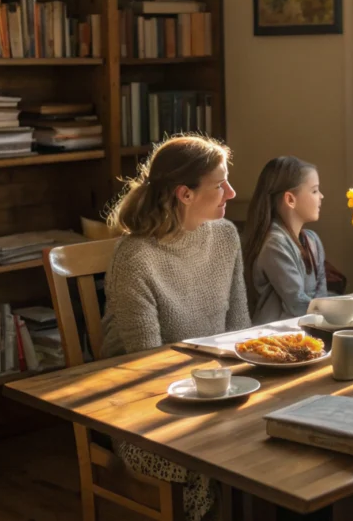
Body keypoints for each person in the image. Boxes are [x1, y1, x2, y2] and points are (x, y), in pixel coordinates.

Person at [101, 134, 250, 521]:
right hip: (143, 411)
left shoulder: (225, 237)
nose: (231, 193)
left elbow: (240, 329)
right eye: (220, 185)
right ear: (184, 193)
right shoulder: (135, 258)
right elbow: (146, 369)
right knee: (219, 458)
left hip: (217, 392)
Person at [241, 156, 328, 324]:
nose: (321, 196)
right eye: (315, 190)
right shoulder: (275, 243)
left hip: (311, 326)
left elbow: (322, 296)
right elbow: (296, 304)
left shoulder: (313, 240)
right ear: (290, 199)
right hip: (275, 335)